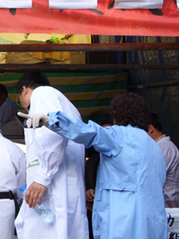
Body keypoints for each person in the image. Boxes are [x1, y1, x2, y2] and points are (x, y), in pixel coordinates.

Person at [22, 92, 167, 239]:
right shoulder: (154, 147)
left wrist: (51, 121)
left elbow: (89, 132)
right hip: (153, 226)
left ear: (117, 115)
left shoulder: (118, 136)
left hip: (124, 225)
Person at [14, 71, 88, 239]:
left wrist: (43, 177)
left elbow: (53, 134)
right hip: (63, 189)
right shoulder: (70, 107)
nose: (24, 106)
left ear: (24, 90)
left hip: (52, 188)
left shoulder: (42, 94)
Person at [148, 113, 179, 201]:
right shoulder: (160, 146)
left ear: (150, 129)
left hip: (170, 203)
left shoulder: (164, 148)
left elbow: (152, 178)